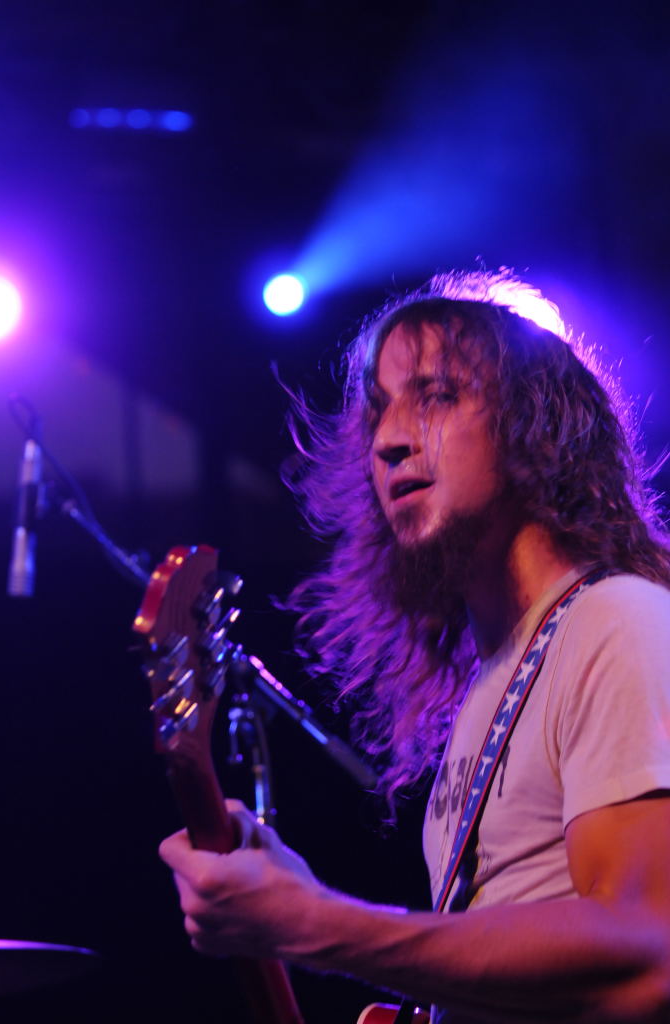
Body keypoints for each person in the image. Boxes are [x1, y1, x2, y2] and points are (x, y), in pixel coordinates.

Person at [159, 269, 670, 1022]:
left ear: (535, 427)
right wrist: (300, 898)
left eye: (436, 395)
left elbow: (651, 956)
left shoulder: (617, 621)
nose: (389, 440)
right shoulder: (497, 680)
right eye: (379, 411)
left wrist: (316, 923)